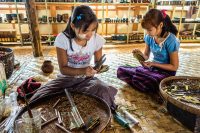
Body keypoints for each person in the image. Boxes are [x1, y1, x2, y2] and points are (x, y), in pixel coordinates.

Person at [30, 5, 117, 110]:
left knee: (104, 90)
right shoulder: (62, 39)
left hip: (86, 81)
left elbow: (98, 63)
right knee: (39, 98)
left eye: (93, 30)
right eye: (85, 31)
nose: (89, 35)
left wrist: (98, 68)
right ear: (72, 26)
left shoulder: (96, 39)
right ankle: (73, 97)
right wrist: (83, 70)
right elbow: (63, 69)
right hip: (65, 80)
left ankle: (75, 98)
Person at [117, 9, 180, 93]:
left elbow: (174, 66)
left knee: (151, 80)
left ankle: (141, 80)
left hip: (166, 73)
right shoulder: (149, 37)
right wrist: (139, 55)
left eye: (149, 30)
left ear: (160, 25)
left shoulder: (171, 40)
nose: (147, 32)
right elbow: (146, 56)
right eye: (146, 30)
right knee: (121, 70)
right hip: (153, 69)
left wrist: (153, 64)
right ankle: (142, 81)